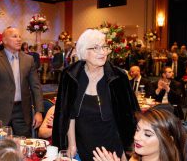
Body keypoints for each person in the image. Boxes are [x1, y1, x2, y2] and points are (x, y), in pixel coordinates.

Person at [52, 29, 140, 161]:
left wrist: (125, 154)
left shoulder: (118, 77)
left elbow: (129, 118)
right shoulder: (71, 75)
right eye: (96, 48)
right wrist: (72, 144)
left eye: (104, 47)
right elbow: (67, 113)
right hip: (81, 149)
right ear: (83, 51)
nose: (103, 52)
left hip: (111, 152)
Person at [0, 27, 44, 137]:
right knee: (0, 148)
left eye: (20, 36)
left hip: (23, 112)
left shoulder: (28, 60)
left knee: (24, 146)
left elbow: (36, 87)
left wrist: (39, 111)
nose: (19, 39)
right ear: (4, 40)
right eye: (14, 36)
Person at [93, 108, 187, 161]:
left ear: (168, 140)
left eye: (147, 134)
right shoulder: (136, 157)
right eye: (137, 130)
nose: (136, 137)